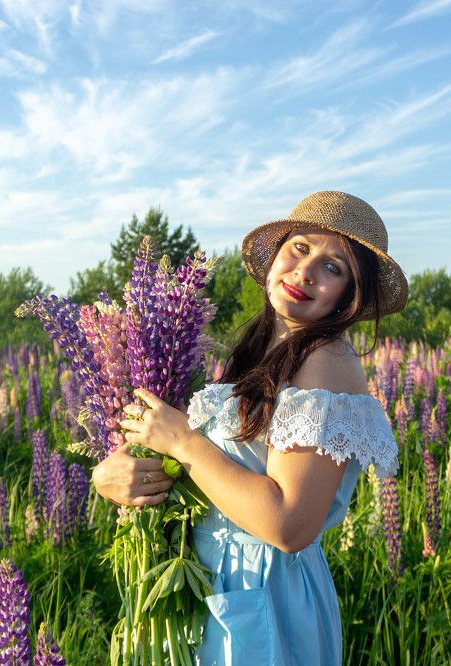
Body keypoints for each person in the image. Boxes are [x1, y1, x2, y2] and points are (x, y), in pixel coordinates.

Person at [92, 191, 407, 665]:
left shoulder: (326, 362)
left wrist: (183, 440)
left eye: (333, 268)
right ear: (278, 250)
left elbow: (288, 524)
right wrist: (116, 476)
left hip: (264, 596)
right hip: (215, 587)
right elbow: (208, 473)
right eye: (300, 248)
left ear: (350, 295)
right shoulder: (259, 349)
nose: (306, 272)